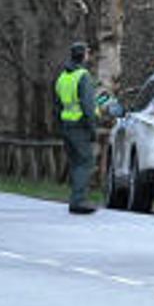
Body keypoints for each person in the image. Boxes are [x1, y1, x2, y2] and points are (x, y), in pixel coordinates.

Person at [54, 42, 99, 214]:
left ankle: (75, 198)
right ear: (83, 56)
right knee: (85, 162)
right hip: (80, 126)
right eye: (87, 53)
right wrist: (92, 128)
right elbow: (88, 106)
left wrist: (61, 125)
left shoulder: (62, 78)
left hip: (66, 125)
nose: (89, 55)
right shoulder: (83, 76)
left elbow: (57, 105)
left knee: (75, 163)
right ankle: (79, 201)